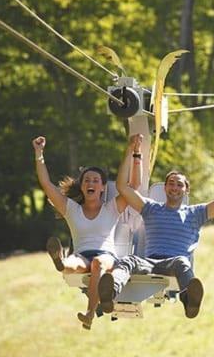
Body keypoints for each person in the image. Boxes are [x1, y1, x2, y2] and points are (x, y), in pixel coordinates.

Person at [98, 135, 214, 319]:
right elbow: (122, 188)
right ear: (164, 188)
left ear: (186, 190)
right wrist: (131, 151)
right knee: (128, 261)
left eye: (179, 184)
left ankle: (189, 300)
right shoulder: (150, 208)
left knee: (182, 261)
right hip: (148, 262)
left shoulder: (195, 214)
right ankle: (110, 294)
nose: (174, 187)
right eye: (171, 184)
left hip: (174, 264)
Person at [32, 134, 143, 329]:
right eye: (87, 181)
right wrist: (39, 153)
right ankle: (60, 262)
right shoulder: (71, 208)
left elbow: (133, 186)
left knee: (98, 263)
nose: (90, 183)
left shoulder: (111, 207)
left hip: (106, 256)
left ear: (102, 187)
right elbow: (47, 185)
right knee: (72, 264)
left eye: (95, 181)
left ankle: (89, 312)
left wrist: (134, 151)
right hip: (82, 255)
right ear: (82, 187)